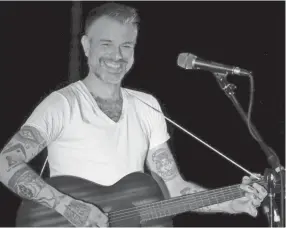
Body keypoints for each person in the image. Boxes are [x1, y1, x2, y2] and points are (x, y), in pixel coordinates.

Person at [0, 2, 268, 227]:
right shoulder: (62, 104)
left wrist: (234, 202)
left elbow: (174, 187)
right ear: (86, 45)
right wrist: (67, 206)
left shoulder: (146, 105)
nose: (117, 56)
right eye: (106, 44)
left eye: (126, 46)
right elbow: (5, 162)